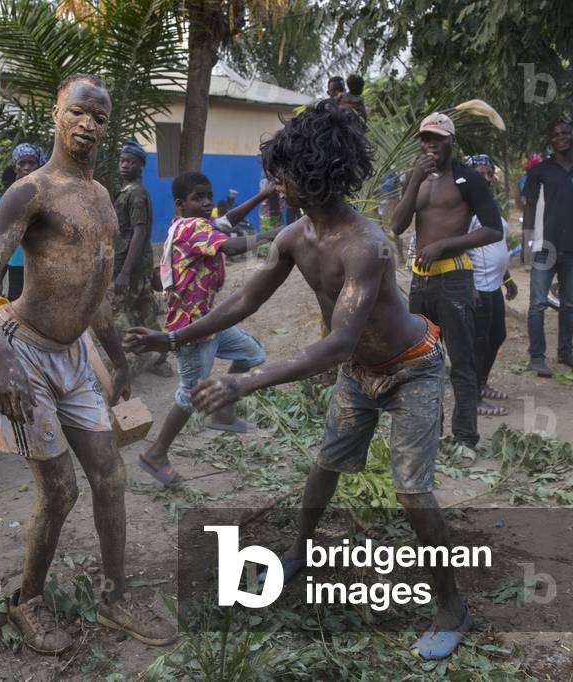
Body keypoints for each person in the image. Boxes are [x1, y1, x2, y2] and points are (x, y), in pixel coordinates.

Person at [126, 101, 473, 659]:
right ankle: (301, 551)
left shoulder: (366, 246)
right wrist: (174, 337)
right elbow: (244, 298)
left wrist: (247, 381)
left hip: (412, 368)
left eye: (281, 174)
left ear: (312, 173)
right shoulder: (295, 238)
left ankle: (453, 608)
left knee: (411, 490)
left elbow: (336, 342)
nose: (273, 184)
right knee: (324, 467)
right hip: (362, 373)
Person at [0, 74, 176, 655]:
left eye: (100, 118)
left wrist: (116, 357)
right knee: (59, 493)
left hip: (73, 356)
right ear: (57, 113)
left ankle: (113, 596)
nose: (88, 124)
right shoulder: (30, 192)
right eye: (78, 112)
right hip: (22, 352)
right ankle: (28, 599)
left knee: (110, 477)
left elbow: (93, 288)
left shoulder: (103, 197)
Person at [129, 173, 282, 485]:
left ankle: (222, 410)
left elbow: (227, 220)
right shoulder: (192, 228)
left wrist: (263, 194)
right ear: (180, 203)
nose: (208, 203)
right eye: (199, 198)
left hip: (211, 321)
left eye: (209, 196)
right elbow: (232, 247)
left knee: (251, 354)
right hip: (191, 328)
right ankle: (155, 453)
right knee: (189, 395)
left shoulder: (194, 222)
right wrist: (282, 233)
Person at [391, 113, 503, 461]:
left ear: (451, 142)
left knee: (462, 361)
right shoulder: (417, 177)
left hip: (454, 276)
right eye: (426, 139)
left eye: (437, 139)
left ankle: (466, 438)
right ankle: (430, 432)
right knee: (421, 360)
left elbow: (494, 229)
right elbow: (396, 225)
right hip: (421, 281)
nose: (430, 146)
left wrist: (445, 245)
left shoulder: (467, 178)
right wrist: (414, 181)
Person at [522, 117, 573, 376]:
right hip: (545, 247)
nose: (561, 137)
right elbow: (530, 207)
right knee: (537, 304)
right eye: (556, 134)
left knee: (569, 305)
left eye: (566, 133)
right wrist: (526, 244)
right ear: (551, 139)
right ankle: (536, 357)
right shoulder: (539, 172)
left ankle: (565, 353)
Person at [464, 154, 518, 417]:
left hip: (494, 284)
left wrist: (507, 277)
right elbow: (458, 248)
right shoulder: (464, 207)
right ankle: (472, 398)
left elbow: (498, 243)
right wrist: (468, 286)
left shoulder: (489, 204)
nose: (487, 178)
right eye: (482, 173)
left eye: (489, 173)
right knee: (478, 343)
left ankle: (482, 384)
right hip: (477, 287)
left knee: (497, 336)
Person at [111, 138, 170, 378]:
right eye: (123, 160)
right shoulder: (128, 190)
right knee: (144, 309)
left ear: (140, 166)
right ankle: (159, 354)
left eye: (131, 162)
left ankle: (133, 357)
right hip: (136, 263)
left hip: (131, 265)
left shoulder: (135, 194)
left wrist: (124, 272)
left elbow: (139, 232)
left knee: (115, 312)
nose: (125, 165)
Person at [3, 143, 45, 301]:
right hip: (16, 264)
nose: (27, 167)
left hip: (40, 265)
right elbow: (4, 237)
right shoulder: (11, 195)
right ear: (15, 167)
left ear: (39, 165)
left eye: (31, 163)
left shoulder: (46, 193)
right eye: (22, 163)